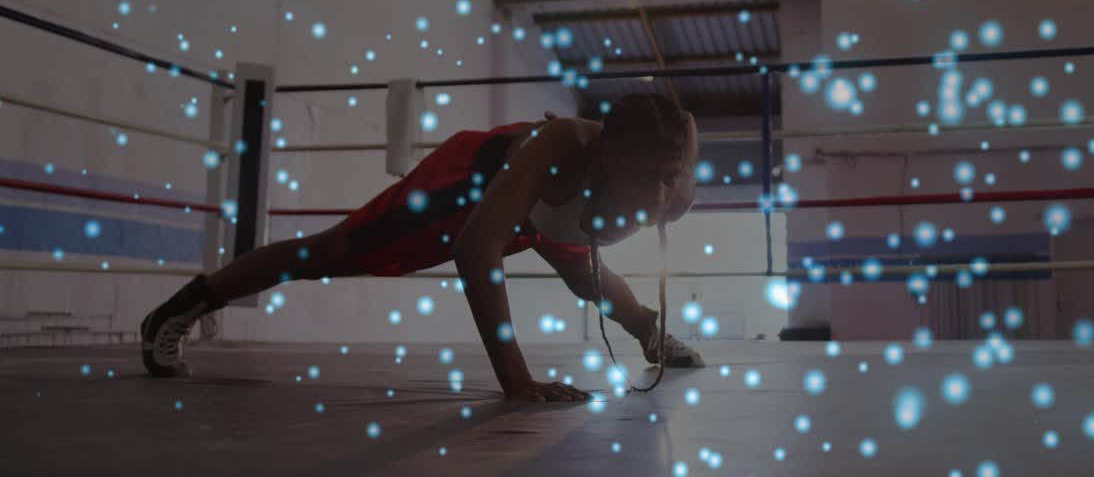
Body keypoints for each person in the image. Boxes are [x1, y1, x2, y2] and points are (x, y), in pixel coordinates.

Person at [140, 92, 705, 402]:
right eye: (645, 177)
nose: (657, 195)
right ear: (606, 158)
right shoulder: (557, 146)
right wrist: (516, 379)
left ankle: (651, 334)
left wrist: (669, 160)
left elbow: (687, 120)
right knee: (327, 253)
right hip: (471, 187)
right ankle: (182, 307)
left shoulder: (671, 191)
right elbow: (475, 249)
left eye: (667, 178)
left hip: (546, 220)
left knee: (594, 282)